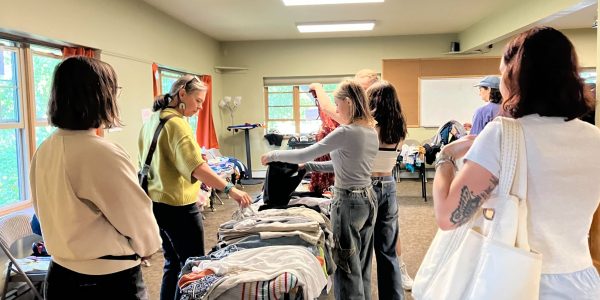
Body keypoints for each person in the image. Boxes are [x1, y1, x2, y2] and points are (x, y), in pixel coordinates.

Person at [432, 26, 600, 299]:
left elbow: (448, 217)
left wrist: (446, 158)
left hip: (514, 279)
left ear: (515, 75)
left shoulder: (502, 134)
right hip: (580, 281)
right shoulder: (595, 138)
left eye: (502, 72)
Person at [30, 56, 162, 299]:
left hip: (59, 273)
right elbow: (136, 217)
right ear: (101, 96)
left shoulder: (45, 148)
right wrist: (148, 247)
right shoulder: (101, 152)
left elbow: (40, 210)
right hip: (107, 280)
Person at [261, 80, 379, 300]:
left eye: (337, 103)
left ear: (348, 102)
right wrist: (309, 167)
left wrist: (273, 156)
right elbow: (343, 164)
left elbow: (306, 153)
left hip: (348, 203)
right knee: (361, 264)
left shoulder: (346, 132)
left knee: (346, 267)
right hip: (367, 200)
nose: (336, 108)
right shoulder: (370, 131)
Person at [139, 74, 251, 300]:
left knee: (173, 262)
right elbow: (197, 169)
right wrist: (232, 189)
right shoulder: (178, 124)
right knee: (194, 266)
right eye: (198, 101)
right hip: (178, 206)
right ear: (182, 94)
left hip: (155, 202)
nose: (200, 107)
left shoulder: (154, 119)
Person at [366, 81, 409, 299]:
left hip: (367, 187)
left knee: (363, 251)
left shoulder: (368, 128)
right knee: (388, 250)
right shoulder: (400, 127)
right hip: (389, 186)